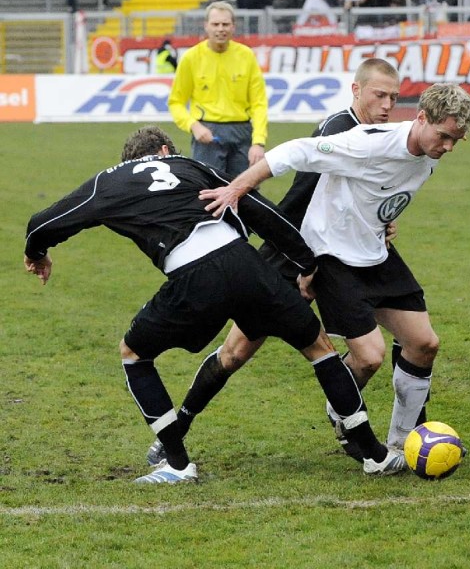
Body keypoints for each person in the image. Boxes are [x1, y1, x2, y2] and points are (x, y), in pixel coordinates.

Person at [24, 126, 405, 485]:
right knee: (319, 347)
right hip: (248, 266)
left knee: (134, 353)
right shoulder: (191, 165)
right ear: (164, 151)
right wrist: (305, 263)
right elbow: (259, 208)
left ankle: (176, 464)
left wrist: (37, 253)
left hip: (194, 274)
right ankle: (374, 454)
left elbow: (46, 222)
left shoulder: (108, 181)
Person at [147, 59, 405, 466]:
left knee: (358, 353)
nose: (389, 105)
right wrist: (300, 260)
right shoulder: (339, 129)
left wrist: (380, 223)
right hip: (295, 251)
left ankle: (347, 420)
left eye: (395, 97)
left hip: (340, 256)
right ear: (356, 92)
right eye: (380, 95)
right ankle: (175, 430)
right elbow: (303, 198)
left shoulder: (384, 136)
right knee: (235, 352)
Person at [198, 83, 470, 455]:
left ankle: (403, 445)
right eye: (444, 136)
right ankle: (343, 405)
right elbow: (296, 151)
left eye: (456, 140)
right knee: (370, 356)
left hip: (375, 253)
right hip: (333, 256)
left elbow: (381, 194)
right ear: (421, 117)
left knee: (424, 344)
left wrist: (385, 221)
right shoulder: (368, 143)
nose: (448, 147)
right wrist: (236, 189)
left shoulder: (428, 154)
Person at [168, 1, 268, 175]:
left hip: (242, 132)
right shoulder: (191, 58)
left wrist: (258, 141)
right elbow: (176, 102)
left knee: (245, 192)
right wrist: (194, 126)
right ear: (206, 26)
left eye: (225, 24)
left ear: (233, 27)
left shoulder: (246, 56)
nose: (220, 29)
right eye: (215, 24)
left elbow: (259, 103)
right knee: (209, 190)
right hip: (207, 133)